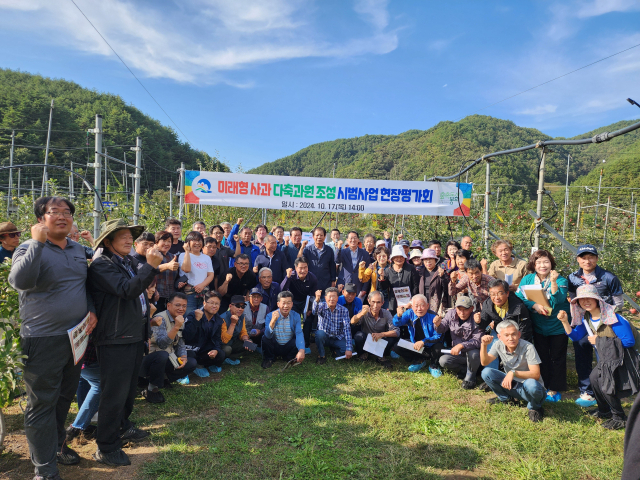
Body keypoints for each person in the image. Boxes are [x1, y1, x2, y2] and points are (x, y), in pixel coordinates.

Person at [9, 196, 98, 478]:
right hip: (42, 337)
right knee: (41, 403)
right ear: (40, 219)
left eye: (67, 212)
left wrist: (92, 310)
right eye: (54, 212)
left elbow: (84, 286)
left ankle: (56, 447)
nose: (62, 216)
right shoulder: (28, 247)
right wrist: (36, 242)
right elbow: (19, 282)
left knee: (63, 397)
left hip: (75, 338)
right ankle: (44, 470)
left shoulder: (76, 249)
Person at [88, 218, 162, 466]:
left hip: (132, 335)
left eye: (131, 235)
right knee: (114, 393)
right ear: (108, 241)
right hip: (115, 338)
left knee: (128, 390)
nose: (129, 239)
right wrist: (150, 267)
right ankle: (106, 446)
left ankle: (122, 425)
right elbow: (128, 289)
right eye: (122, 236)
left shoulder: (127, 261)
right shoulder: (101, 266)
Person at [557, 285, 639, 430]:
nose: (586, 301)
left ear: (597, 300)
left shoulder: (613, 317)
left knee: (605, 382)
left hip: (623, 357)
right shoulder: (587, 317)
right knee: (595, 379)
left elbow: (628, 341)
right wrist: (564, 322)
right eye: (582, 299)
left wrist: (600, 340)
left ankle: (619, 417)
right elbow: (576, 336)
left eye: (589, 298)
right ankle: (604, 410)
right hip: (609, 357)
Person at [567, 244, 625, 408]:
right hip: (583, 322)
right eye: (583, 257)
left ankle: (608, 391)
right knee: (582, 353)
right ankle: (587, 391)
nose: (587, 260)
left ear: (597, 258)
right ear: (578, 260)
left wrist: (604, 316)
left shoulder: (608, 277)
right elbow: (572, 300)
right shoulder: (572, 278)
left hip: (603, 324)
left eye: (591, 257)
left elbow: (618, 302)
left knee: (605, 357)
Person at [515, 249, 570, 403]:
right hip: (538, 325)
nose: (542, 265)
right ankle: (544, 385)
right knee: (541, 356)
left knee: (557, 357)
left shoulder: (561, 280)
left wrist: (553, 281)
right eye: (539, 262)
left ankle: (555, 388)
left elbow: (558, 300)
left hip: (557, 325)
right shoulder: (527, 279)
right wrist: (534, 305)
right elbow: (519, 296)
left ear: (551, 263)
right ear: (534, 264)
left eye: (546, 262)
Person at [480, 320, 546, 422]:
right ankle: (506, 399)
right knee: (486, 372)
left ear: (519, 334)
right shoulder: (498, 344)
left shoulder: (528, 347)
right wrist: (484, 345)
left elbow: (536, 374)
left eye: (514, 334)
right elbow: (485, 362)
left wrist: (513, 372)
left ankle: (534, 407)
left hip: (528, 388)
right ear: (499, 337)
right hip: (511, 385)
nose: (511, 338)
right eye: (506, 335)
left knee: (531, 384)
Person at [142, 292, 197, 399]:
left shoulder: (180, 318)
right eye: (178, 305)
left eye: (184, 306)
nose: (181, 308)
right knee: (162, 355)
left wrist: (184, 356)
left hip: (168, 355)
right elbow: (161, 344)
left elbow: (180, 342)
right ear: (168, 305)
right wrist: (176, 327)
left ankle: (163, 378)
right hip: (152, 359)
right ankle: (151, 388)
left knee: (191, 361)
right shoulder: (160, 319)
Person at [435, 296, 483, 389]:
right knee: (443, 361)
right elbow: (442, 328)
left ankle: (471, 377)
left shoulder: (477, 318)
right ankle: (469, 370)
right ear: (455, 308)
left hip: (472, 353)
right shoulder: (450, 314)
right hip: (458, 353)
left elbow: (477, 341)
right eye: (459, 309)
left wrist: (461, 345)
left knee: (473, 354)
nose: (462, 312)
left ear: (472, 308)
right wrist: (437, 325)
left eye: (465, 309)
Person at [392, 295, 442, 374]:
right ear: (412, 306)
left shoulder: (433, 316)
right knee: (398, 346)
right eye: (416, 306)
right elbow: (396, 323)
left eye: (422, 305)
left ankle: (433, 365)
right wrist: (398, 316)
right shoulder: (409, 313)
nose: (419, 309)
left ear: (427, 306)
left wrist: (423, 342)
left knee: (438, 347)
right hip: (416, 346)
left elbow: (438, 336)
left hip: (430, 347)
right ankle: (419, 360)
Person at [183, 291, 226, 379]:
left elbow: (217, 338)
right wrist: (196, 320)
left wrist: (216, 350)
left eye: (217, 303)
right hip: (190, 348)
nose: (214, 306)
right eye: (212, 303)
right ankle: (190, 369)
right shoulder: (193, 315)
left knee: (221, 354)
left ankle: (201, 364)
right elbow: (186, 337)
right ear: (204, 303)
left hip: (203, 349)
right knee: (191, 356)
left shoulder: (218, 319)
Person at [350, 291, 398, 368]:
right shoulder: (364, 311)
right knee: (359, 336)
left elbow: (396, 331)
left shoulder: (386, 313)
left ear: (382, 303)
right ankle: (363, 354)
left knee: (391, 338)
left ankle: (381, 357)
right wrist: (361, 313)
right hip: (366, 341)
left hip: (380, 341)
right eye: (373, 302)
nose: (375, 305)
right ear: (369, 301)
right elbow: (352, 322)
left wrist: (382, 334)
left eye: (378, 302)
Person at [65, 338, 100, 443]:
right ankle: (78, 426)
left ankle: (84, 424)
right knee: (100, 385)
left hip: (77, 353)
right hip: (88, 354)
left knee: (83, 380)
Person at [281, 257, 318, 353]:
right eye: (300, 268)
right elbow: (282, 291)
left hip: (306, 302)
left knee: (309, 320)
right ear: (295, 268)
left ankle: (305, 344)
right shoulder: (292, 276)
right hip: (293, 302)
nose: (303, 270)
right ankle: (293, 342)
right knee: (293, 321)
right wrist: (287, 277)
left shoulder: (312, 278)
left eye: (305, 267)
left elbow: (313, 295)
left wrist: (310, 308)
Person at [261, 291, 306, 369]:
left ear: (292, 304)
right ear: (278, 304)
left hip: (288, 345)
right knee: (265, 339)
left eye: (288, 303)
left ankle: (289, 358)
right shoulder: (270, 315)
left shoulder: (296, 315)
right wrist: (273, 321)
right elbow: (267, 335)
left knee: (297, 339)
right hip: (275, 345)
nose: (286, 306)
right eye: (283, 303)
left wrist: (301, 350)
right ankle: (269, 358)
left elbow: (299, 333)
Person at [177, 231, 214, 314]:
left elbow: (211, 275)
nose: (197, 243)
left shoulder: (206, 257)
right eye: (194, 240)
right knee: (189, 318)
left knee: (203, 318)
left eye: (199, 240)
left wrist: (202, 285)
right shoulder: (183, 255)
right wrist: (187, 251)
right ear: (188, 243)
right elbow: (186, 269)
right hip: (189, 294)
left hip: (204, 293)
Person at [313, 287, 352, 364]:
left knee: (347, 352)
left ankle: (334, 350)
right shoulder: (321, 306)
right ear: (325, 298)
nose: (332, 299)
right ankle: (322, 355)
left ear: (337, 298)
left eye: (334, 296)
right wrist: (317, 299)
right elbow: (315, 311)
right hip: (325, 337)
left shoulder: (344, 310)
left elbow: (347, 329)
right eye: (329, 296)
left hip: (338, 337)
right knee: (319, 334)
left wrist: (349, 348)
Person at [378, 245, 420, 314]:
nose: (399, 259)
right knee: (395, 322)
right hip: (393, 303)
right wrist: (382, 277)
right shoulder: (388, 270)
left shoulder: (411, 268)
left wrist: (411, 301)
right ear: (393, 258)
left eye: (401, 256)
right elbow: (384, 287)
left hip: (409, 303)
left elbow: (416, 286)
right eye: (396, 257)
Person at [219, 295, 255, 364]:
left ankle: (231, 357)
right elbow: (224, 341)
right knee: (227, 349)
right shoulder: (223, 319)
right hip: (223, 345)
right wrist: (233, 324)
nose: (240, 309)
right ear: (230, 306)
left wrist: (246, 339)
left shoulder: (241, 316)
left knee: (251, 344)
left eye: (242, 307)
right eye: (237, 306)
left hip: (234, 342)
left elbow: (243, 332)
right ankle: (224, 358)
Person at [302, 227, 336, 293]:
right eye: (317, 235)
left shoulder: (329, 250)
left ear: (325, 236)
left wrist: (333, 281)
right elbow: (301, 263)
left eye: (321, 235)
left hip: (325, 283)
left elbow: (332, 266)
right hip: (310, 284)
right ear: (313, 236)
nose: (319, 237)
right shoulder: (307, 250)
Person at [337, 230, 370, 299]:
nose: (353, 240)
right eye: (351, 238)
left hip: (358, 285)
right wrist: (338, 249)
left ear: (358, 239)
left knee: (356, 308)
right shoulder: (343, 252)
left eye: (355, 238)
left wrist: (364, 289)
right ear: (347, 240)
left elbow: (368, 272)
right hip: (344, 283)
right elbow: (337, 260)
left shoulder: (365, 254)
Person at [154, 230, 180, 312]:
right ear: (157, 242)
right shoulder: (153, 255)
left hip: (170, 297)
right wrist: (167, 266)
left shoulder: (172, 257)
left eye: (169, 241)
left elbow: (175, 276)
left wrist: (180, 282)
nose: (166, 244)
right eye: (164, 241)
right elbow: (149, 271)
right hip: (156, 296)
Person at [419, 248, 449, 314]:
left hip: (437, 304)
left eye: (430, 259)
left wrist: (442, 277)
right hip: (423, 303)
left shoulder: (441, 271)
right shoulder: (420, 273)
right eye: (426, 260)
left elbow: (447, 288)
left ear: (435, 260)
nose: (428, 262)